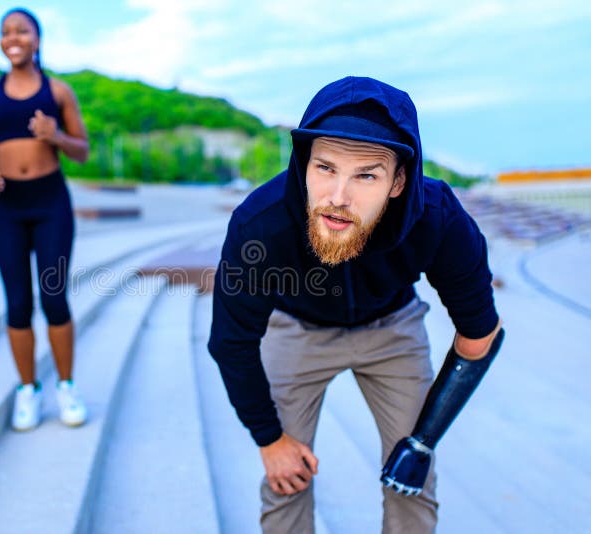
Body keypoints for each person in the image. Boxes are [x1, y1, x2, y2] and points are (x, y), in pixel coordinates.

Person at [208, 76, 504, 533]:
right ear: (304, 164)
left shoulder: (439, 218)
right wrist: (270, 442)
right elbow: (232, 342)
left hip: (392, 328)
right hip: (296, 327)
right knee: (285, 479)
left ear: (398, 181)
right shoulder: (260, 225)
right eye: (325, 168)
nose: (338, 197)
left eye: (366, 174)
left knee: (412, 482)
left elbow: (480, 335)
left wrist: (422, 442)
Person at [0, 7, 90, 431]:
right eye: (5, 32)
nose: (13, 38)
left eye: (21, 30)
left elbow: (82, 150)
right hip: (8, 207)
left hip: (50, 204)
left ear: (37, 39)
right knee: (18, 304)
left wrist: (55, 135)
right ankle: (28, 390)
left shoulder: (58, 92)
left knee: (54, 298)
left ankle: (66, 386)